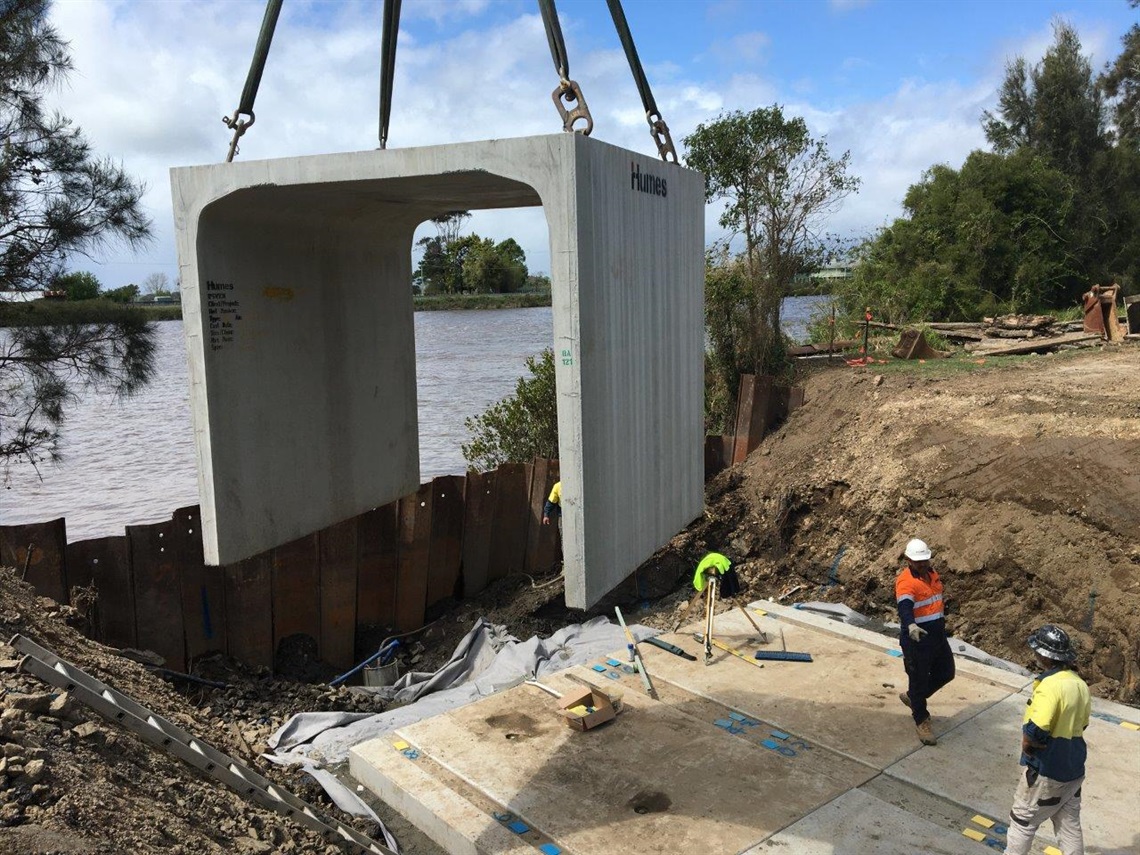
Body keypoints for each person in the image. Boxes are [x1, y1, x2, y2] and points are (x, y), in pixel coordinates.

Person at [1003, 624, 1090, 855]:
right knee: (1069, 826)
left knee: (1023, 822)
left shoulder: (1050, 685)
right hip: (1073, 769)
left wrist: (1027, 743)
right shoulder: (1080, 684)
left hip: (1047, 770)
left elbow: (1038, 727)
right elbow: (1082, 724)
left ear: (1043, 655)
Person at [895, 537, 955, 745]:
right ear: (908, 560)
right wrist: (910, 625)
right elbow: (904, 606)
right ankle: (921, 719)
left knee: (947, 672)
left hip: (937, 634)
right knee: (918, 678)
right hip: (917, 638)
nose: (922, 564)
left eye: (925, 560)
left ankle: (914, 697)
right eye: (918, 561)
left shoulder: (932, 574)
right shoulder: (905, 581)